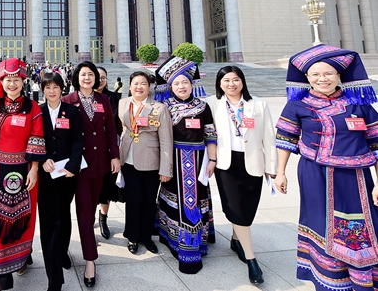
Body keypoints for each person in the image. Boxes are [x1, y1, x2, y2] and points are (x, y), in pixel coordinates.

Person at [275, 44, 378, 290]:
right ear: (307, 78)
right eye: (316, 74)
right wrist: (280, 173)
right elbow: (285, 139)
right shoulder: (297, 105)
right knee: (322, 224)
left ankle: (362, 280)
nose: (323, 79)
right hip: (315, 174)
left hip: (357, 177)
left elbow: (376, 144)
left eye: (328, 73)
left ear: (339, 76)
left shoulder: (358, 104)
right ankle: (330, 280)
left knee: (362, 225)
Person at [0, 58, 45, 291]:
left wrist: (35, 169)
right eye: (8, 80)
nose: (12, 84)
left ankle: (21, 258)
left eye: (16, 80)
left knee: (23, 218)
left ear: (23, 81)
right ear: (1, 82)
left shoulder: (33, 108)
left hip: (25, 171)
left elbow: (37, 140)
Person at [205, 66, 277, 284]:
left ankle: (236, 239)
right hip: (226, 164)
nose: (231, 84)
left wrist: (272, 166)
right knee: (235, 207)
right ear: (219, 84)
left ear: (243, 81)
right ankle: (251, 258)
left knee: (248, 208)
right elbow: (208, 134)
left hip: (253, 162)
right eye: (226, 80)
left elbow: (269, 138)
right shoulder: (211, 104)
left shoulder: (258, 105)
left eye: (235, 80)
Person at [154, 56, 216, 274]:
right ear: (170, 87)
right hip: (174, 161)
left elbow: (210, 135)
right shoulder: (164, 106)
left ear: (192, 84)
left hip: (198, 162)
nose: (181, 87)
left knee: (195, 202)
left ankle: (194, 246)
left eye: (185, 83)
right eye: (176, 84)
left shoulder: (203, 106)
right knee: (174, 201)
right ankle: (171, 238)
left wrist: (213, 160)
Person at [63, 61, 120, 287]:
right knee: (84, 213)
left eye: (91, 75)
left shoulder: (103, 100)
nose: (87, 78)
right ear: (76, 78)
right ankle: (90, 260)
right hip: (76, 167)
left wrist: (114, 156)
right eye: (83, 74)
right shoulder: (68, 101)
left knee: (90, 207)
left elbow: (112, 129)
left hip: (98, 164)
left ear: (96, 78)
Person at [118, 71, 173, 255]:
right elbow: (124, 128)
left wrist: (166, 168)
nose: (139, 87)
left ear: (149, 87)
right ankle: (132, 236)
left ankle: (146, 236)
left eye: (143, 83)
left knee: (149, 200)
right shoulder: (123, 104)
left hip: (151, 161)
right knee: (133, 199)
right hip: (128, 160)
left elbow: (166, 140)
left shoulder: (159, 108)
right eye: (135, 83)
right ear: (130, 86)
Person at [38, 72, 83, 291]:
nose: (52, 91)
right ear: (43, 89)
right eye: (48, 87)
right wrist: (42, 158)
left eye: (56, 87)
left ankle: (63, 252)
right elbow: (32, 140)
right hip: (46, 175)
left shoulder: (72, 111)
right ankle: (52, 270)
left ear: (61, 89)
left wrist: (72, 167)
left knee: (64, 215)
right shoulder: (38, 111)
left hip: (66, 175)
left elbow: (78, 140)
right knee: (48, 220)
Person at [95, 66, 124, 240]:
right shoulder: (81, 98)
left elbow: (114, 123)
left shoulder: (113, 98)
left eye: (103, 77)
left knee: (106, 186)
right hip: (87, 150)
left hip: (106, 149)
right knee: (88, 188)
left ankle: (103, 218)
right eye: (97, 76)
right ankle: (89, 216)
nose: (100, 80)